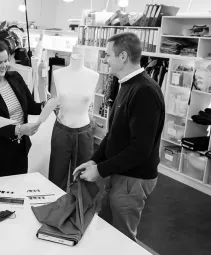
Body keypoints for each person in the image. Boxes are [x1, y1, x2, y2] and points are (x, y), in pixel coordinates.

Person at [73, 32, 165, 242]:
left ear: (123, 56)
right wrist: (94, 160)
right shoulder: (127, 85)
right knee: (106, 230)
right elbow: (114, 134)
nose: (105, 60)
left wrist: (100, 170)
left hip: (133, 178)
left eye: (108, 55)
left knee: (122, 240)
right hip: (120, 173)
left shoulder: (144, 92)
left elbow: (140, 150)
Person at [0, 41, 56, 178]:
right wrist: (20, 129)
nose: (4, 66)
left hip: (20, 147)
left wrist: (45, 106)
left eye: (6, 61)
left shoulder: (15, 78)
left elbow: (29, 106)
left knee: (19, 188)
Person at [48, 52, 98, 192]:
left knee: (82, 179)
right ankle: (57, 210)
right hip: (62, 130)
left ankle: (80, 212)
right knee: (56, 178)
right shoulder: (58, 74)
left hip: (84, 132)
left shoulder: (93, 76)